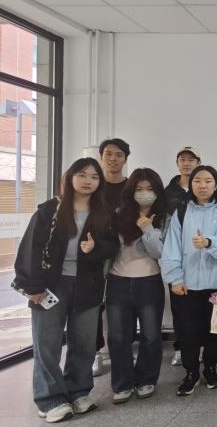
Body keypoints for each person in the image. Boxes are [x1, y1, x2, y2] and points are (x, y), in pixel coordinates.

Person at [13, 158, 119, 423]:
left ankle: (78, 392)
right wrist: (33, 287)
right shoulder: (50, 209)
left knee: (83, 342)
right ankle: (49, 399)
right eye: (82, 175)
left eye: (94, 177)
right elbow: (31, 248)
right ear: (70, 177)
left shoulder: (104, 212)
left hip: (88, 284)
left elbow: (112, 247)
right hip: (52, 285)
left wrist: (95, 249)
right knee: (47, 343)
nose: (88, 181)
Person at [160, 165, 217, 396]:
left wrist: (209, 243)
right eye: (197, 181)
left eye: (208, 181)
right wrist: (175, 279)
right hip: (187, 284)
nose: (203, 185)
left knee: (214, 331)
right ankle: (191, 372)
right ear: (190, 185)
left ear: (216, 184)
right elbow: (171, 247)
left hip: (216, 283)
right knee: (187, 331)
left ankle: (210, 369)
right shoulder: (181, 212)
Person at [107, 168, 168, 404]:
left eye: (149, 189)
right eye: (139, 189)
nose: (144, 193)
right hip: (118, 281)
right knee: (118, 337)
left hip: (149, 281)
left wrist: (148, 230)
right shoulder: (118, 215)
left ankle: (146, 379)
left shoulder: (164, 216)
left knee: (151, 335)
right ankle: (122, 384)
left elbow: (159, 253)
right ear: (131, 191)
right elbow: (109, 249)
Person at [94, 137, 131, 376]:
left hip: (127, 253)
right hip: (97, 252)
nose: (113, 159)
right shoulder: (94, 186)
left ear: (125, 159)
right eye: (108, 154)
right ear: (101, 157)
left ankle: (126, 349)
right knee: (94, 304)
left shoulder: (131, 188)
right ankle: (96, 352)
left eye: (118, 155)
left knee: (125, 304)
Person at [164, 146, 201, 367]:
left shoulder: (205, 188)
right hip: (177, 254)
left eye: (191, 159)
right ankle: (180, 347)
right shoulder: (168, 192)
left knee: (200, 307)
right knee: (179, 307)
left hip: (202, 255)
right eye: (182, 159)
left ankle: (200, 346)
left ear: (198, 162)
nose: (186, 163)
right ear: (177, 163)